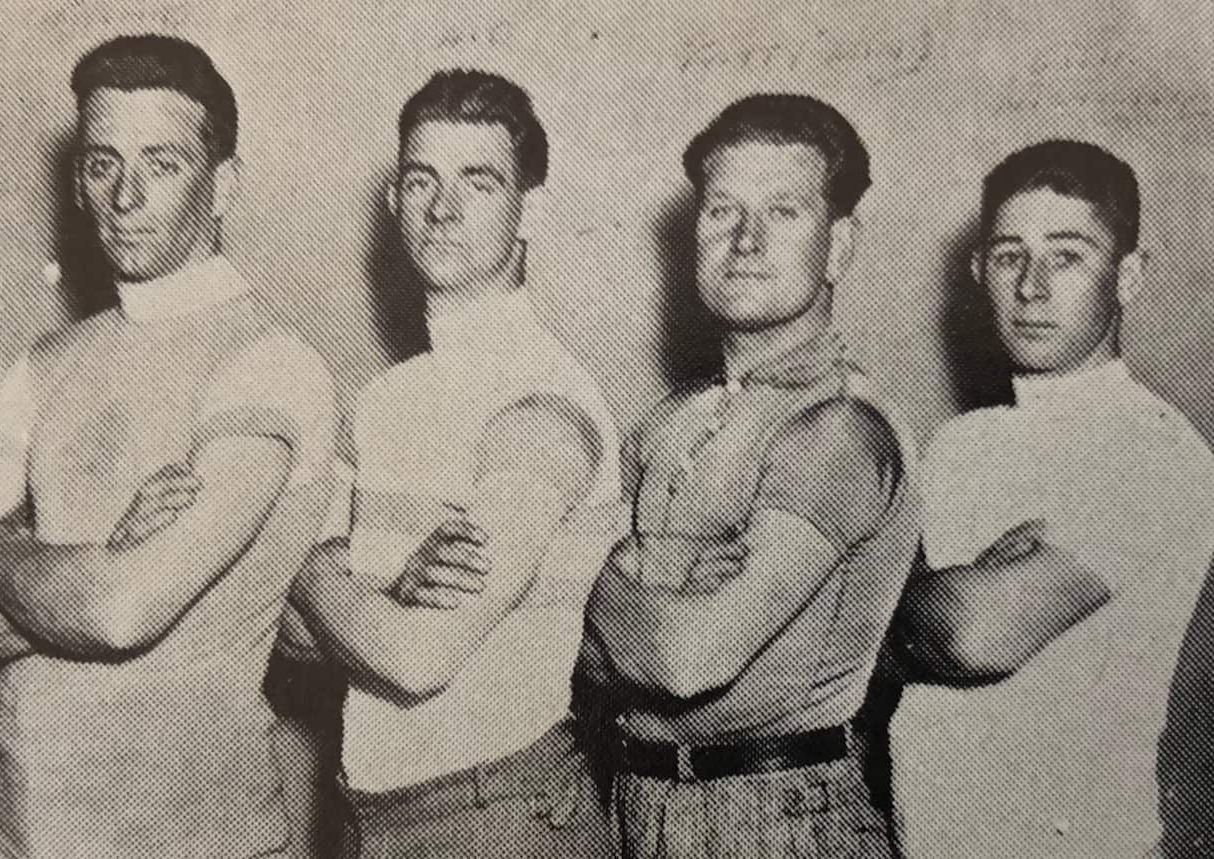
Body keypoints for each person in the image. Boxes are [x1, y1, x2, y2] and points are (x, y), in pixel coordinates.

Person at [0, 34, 336, 859]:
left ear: (223, 183)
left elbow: (118, 613)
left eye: (163, 163)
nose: (125, 196)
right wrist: (94, 562)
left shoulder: (270, 363)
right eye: (101, 163)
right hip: (21, 839)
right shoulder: (44, 364)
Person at [572, 93, 921, 858]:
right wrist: (640, 593)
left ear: (838, 246)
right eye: (722, 210)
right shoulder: (670, 420)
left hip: (777, 816)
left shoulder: (839, 429)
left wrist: (598, 575)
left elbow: (687, 659)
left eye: (782, 212)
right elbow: (572, 657)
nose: (745, 240)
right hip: (639, 805)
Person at [285, 69, 620, 857]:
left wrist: (307, 560)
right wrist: (380, 594)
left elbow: (415, 657)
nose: (442, 208)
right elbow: (293, 640)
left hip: (496, 815)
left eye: (479, 181)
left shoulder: (545, 405)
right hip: (374, 819)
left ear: (531, 208)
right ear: (393, 200)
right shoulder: (384, 399)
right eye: (421, 180)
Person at [889, 140, 1214, 859]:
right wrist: (928, 602)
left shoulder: (1152, 447)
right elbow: (908, 638)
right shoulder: (958, 444)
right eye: (1010, 256)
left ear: (1127, 275)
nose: (1031, 287)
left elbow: (971, 635)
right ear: (979, 271)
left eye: (1066, 256)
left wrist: (893, 593)